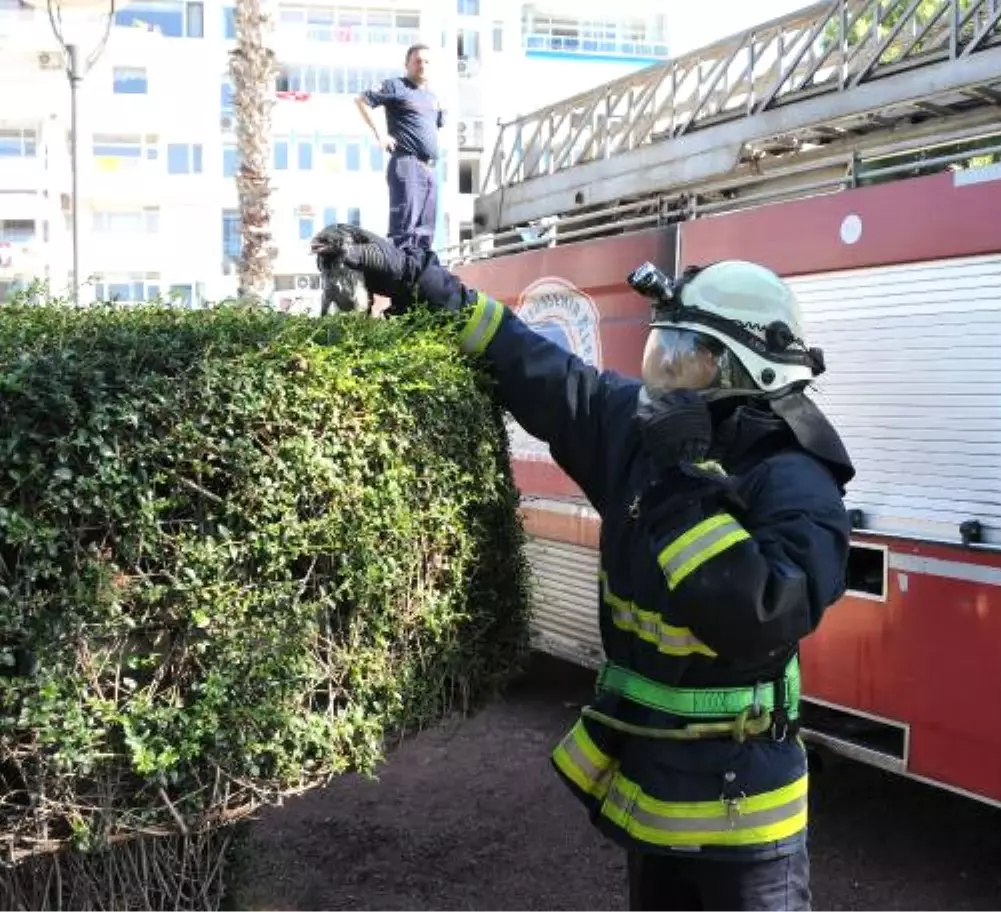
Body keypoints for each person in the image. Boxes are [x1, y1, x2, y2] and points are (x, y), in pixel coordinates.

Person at [314, 229, 855, 912]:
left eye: (682, 360)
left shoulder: (796, 480)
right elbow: (531, 365)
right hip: (654, 804)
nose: (659, 377)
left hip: (743, 821)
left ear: (741, 370)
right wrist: (421, 282)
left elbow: (758, 615)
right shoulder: (642, 432)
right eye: (663, 349)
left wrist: (684, 488)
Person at [355, 44, 444, 249]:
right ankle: (399, 278)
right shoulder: (397, 86)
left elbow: (435, 126)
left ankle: (419, 276)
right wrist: (381, 135)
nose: (422, 65)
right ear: (407, 65)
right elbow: (361, 100)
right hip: (407, 163)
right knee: (404, 229)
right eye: (417, 61)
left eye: (426, 61)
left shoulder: (433, 98)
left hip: (430, 168)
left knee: (426, 231)